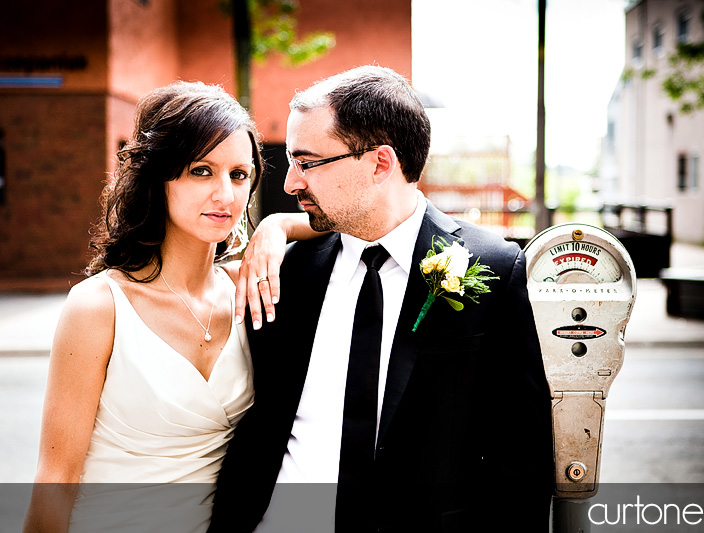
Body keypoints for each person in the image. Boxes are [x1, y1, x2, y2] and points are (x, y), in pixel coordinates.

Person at [210, 65, 554, 532]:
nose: (291, 184)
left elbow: (522, 457)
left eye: (307, 162)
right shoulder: (286, 272)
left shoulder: (494, 268)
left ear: (380, 163)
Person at [23, 80, 290, 532]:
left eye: (239, 174)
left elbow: (342, 225)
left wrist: (279, 224)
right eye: (200, 171)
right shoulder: (99, 307)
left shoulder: (246, 289)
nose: (225, 195)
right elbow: (57, 479)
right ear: (158, 176)